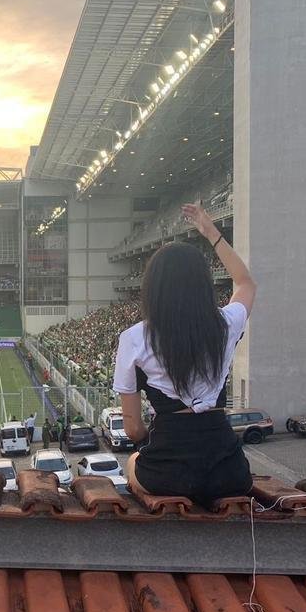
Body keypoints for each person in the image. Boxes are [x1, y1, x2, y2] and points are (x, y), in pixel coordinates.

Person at [113, 203, 256, 507]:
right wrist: (212, 234)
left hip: (167, 472)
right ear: (203, 284)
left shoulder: (134, 338)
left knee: (133, 463)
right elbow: (245, 283)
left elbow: (133, 428)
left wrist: (149, 447)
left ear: (153, 288)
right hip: (229, 472)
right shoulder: (225, 324)